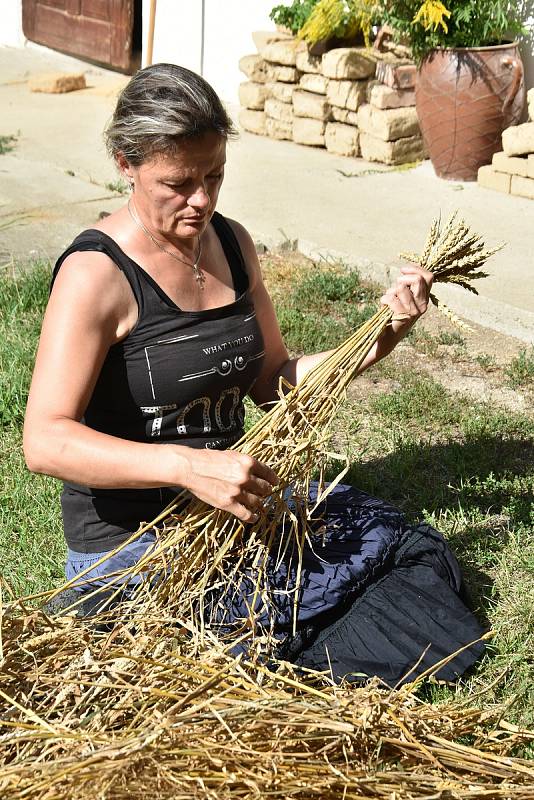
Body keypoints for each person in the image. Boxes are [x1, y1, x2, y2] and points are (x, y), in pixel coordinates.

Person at [23, 63, 484, 685]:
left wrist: (382, 331)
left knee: (392, 553)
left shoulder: (232, 244)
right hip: (140, 542)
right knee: (251, 638)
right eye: (178, 182)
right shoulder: (95, 275)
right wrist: (186, 466)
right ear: (124, 162)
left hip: (238, 510)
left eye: (214, 175)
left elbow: (273, 378)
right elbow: (45, 439)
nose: (202, 200)